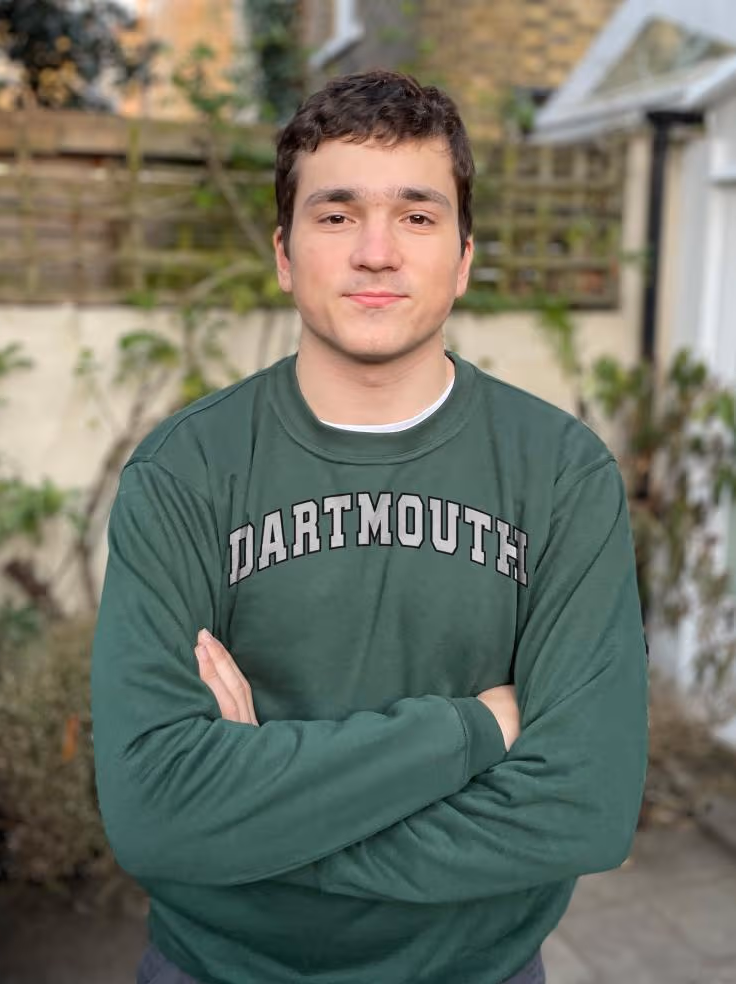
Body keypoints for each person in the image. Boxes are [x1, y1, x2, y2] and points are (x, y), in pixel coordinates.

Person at [91, 69, 648, 984]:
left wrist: (249, 827)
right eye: (337, 214)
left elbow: (584, 806)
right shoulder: (185, 473)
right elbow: (154, 812)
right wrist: (472, 732)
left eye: (418, 216)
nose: (376, 251)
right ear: (284, 253)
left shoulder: (560, 474)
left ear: (464, 258)